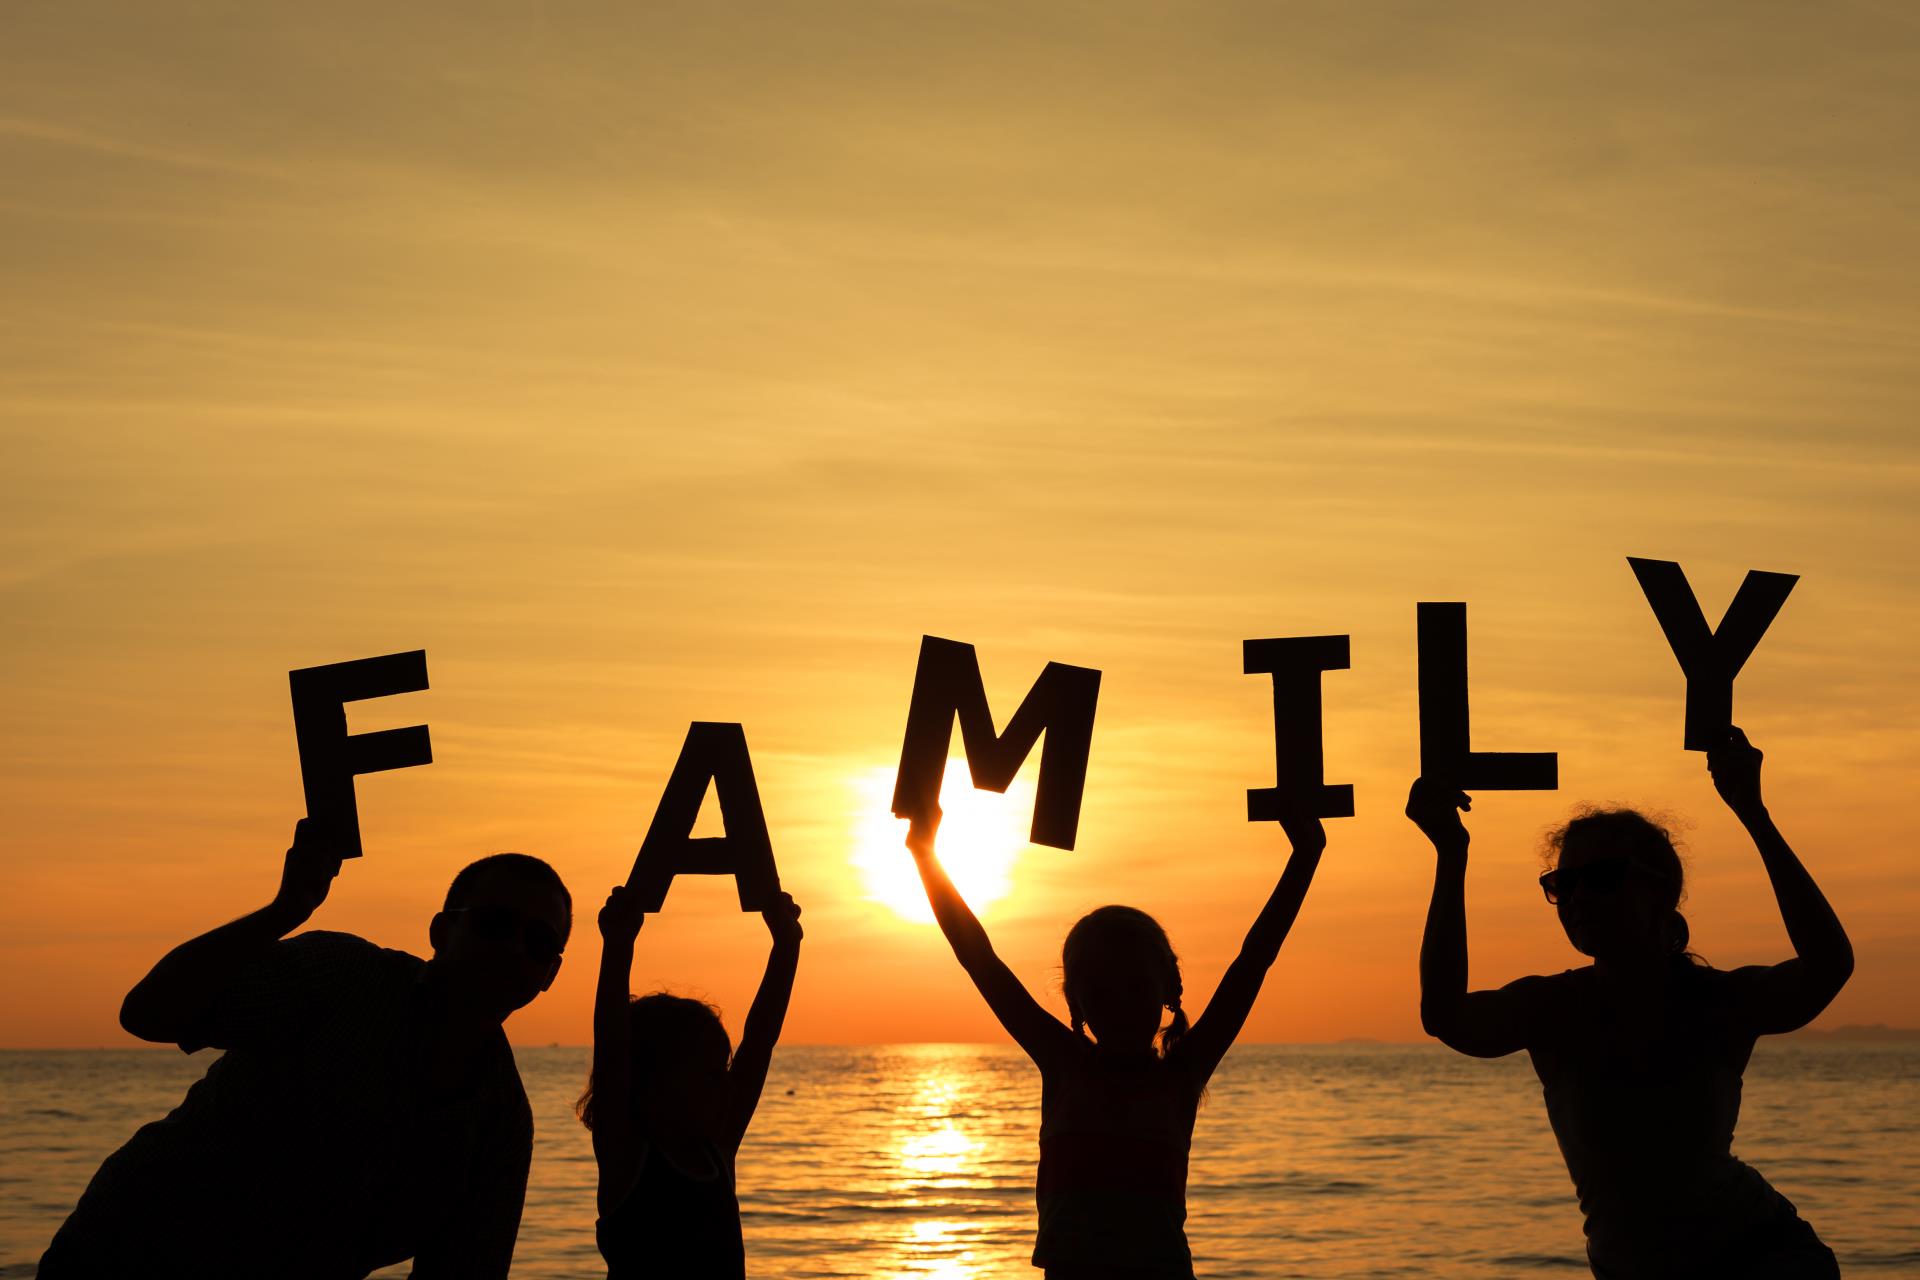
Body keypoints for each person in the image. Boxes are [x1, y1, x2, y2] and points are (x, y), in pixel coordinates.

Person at [39, 818, 572, 1279]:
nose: (513, 947)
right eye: (494, 924)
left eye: (539, 941)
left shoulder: (501, 1123)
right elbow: (150, 1012)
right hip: (125, 1253)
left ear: (550, 973)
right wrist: (285, 910)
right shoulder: (342, 978)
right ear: (440, 931)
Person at [1408, 726, 1852, 1279]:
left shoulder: (1714, 1001)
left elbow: (1828, 966)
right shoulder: (1554, 1008)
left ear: (1659, 891)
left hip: (1760, 1261)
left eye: (1601, 878)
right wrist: (1451, 853)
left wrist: (1753, 813)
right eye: (1563, 884)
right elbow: (1446, 1017)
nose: (1578, 897)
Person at [907, 801, 1326, 1278]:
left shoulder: (1180, 1076)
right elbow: (979, 958)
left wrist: (1305, 856)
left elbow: (1254, 960)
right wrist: (924, 854)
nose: (1120, 1005)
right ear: (1077, 1003)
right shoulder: (1066, 1065)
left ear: (1167, 989)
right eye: (1101, 992)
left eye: (1135, 987)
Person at [578, 882, 803, 1279]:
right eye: (708, 1075)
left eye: (723, 1070)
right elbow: (612, 1045)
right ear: (654, 1080)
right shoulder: (626, 1153)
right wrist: (617, 944)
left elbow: (760, 1040)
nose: (727, 1086)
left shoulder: (717, 1149)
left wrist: (787, 945)